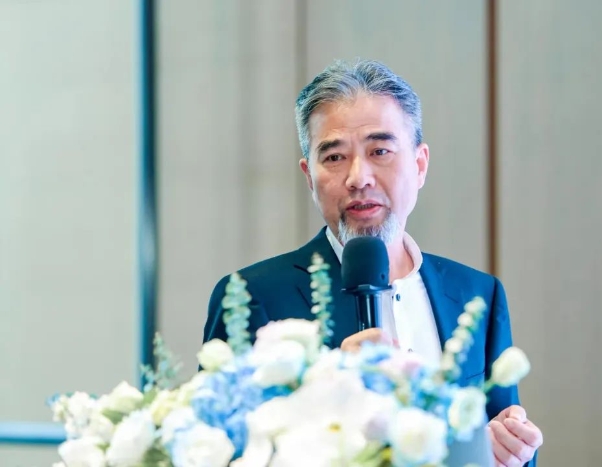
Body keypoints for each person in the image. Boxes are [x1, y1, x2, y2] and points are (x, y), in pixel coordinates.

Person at [203, 59, 543, 466]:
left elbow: (500, 441)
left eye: (380, 151)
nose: (358, 177)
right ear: (309, 176)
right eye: (334, 157)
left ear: (419, 165)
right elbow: (218, 452)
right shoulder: (252, 297)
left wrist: (512, 449)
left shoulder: (477, 294)